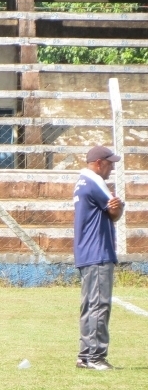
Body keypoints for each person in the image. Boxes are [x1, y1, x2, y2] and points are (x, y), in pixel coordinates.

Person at [74, 145, 124, 371]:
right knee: (99, 305)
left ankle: (85, 356)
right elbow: (114, 212)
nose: (112, 167)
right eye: (110, 163)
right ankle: (95, 357)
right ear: (98, 163)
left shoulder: (81, 182)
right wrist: (119, 206)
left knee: (89, 305)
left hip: (87, 252)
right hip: (98, 252)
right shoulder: (95, 181)